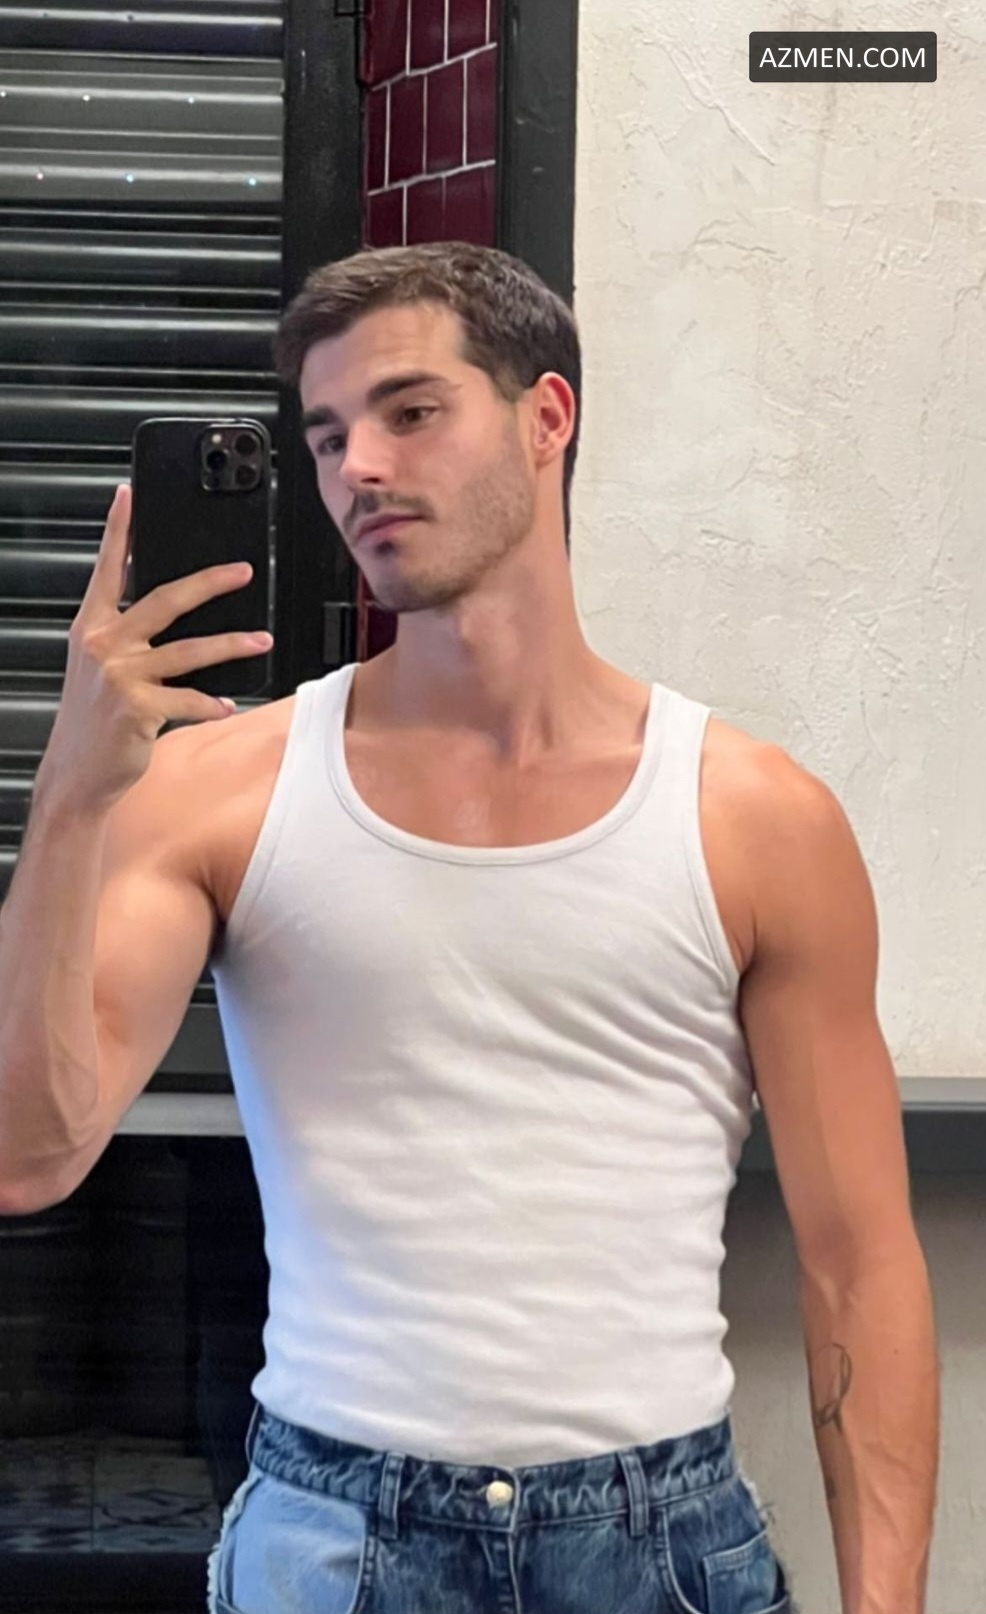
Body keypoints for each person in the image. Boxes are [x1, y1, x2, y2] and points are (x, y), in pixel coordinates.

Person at [0, 243, 938, 1614]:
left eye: (410, 410)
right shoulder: (215, 790)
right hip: (332, 1534)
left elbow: (859, 1262)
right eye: (328, 435)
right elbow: (27, 1156)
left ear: (545, 416)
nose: (360, 468)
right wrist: (69, 799)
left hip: (658, 1541)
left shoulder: (753, 818)